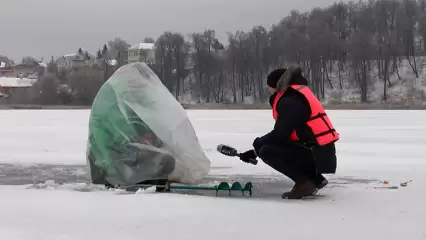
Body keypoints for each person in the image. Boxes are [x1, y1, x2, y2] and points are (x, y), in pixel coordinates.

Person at [239, 66, 339, 199]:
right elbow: (285, 135)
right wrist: (255, 151)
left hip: (317, 153)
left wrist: (257, 145)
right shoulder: (296, 94)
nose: (268, 89)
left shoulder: (290, 101)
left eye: (269, 86)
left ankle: (304, 183)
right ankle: (315, 179)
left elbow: (280, 134)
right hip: (320, 151)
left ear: (276, 85)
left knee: (267, 151)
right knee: (266, 148)